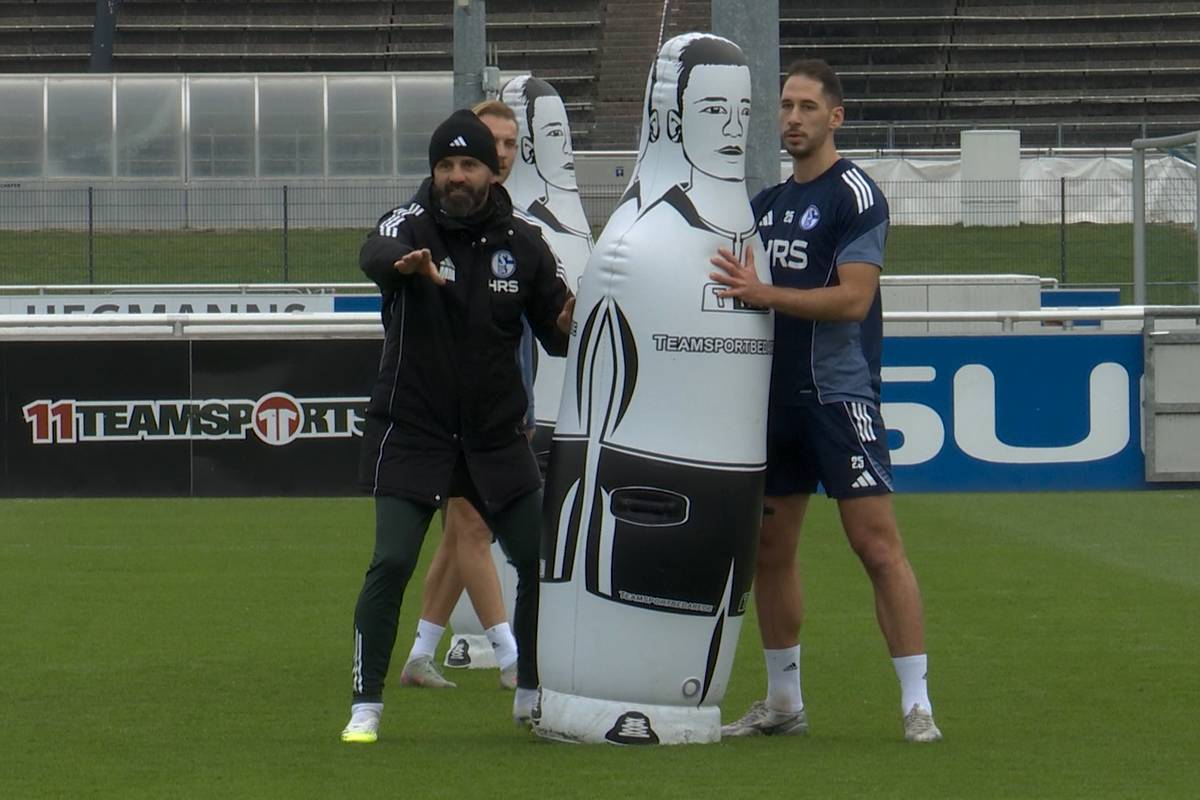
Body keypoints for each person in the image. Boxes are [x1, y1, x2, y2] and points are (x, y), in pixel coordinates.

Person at [708, 59, 943, 743]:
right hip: (772, 401)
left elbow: (853, 299)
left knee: (875, 545)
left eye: (808, 106)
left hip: (839, 397)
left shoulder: (856, 196)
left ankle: (916, 702)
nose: (793, 118)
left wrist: (764, 295)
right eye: (785, 106)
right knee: (770, 546)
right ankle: (784, 703)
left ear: (835, 117)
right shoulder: (767, 205)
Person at [340, 109, 574, 744]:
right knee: (390, 560)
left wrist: (574, 316)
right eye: (445, 166)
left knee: (537, 559)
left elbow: (557, 329)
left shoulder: (524, 241)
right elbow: (373, 250)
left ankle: (529, 693)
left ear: (493, 171)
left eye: (468, 165)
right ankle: (366, 705)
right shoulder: (410, 222)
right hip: (412, 429)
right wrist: (405, 264)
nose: (455, 177)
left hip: (495, 436)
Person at [395, 100, 531, 693]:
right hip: (450, 413)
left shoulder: (511, 225)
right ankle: (511, 658)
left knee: (459, 534)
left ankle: (419, 655)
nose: (500, 153)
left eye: (509, 143)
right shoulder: (428, 219)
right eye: (491, 142)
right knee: (473, 525)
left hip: (500, 403)